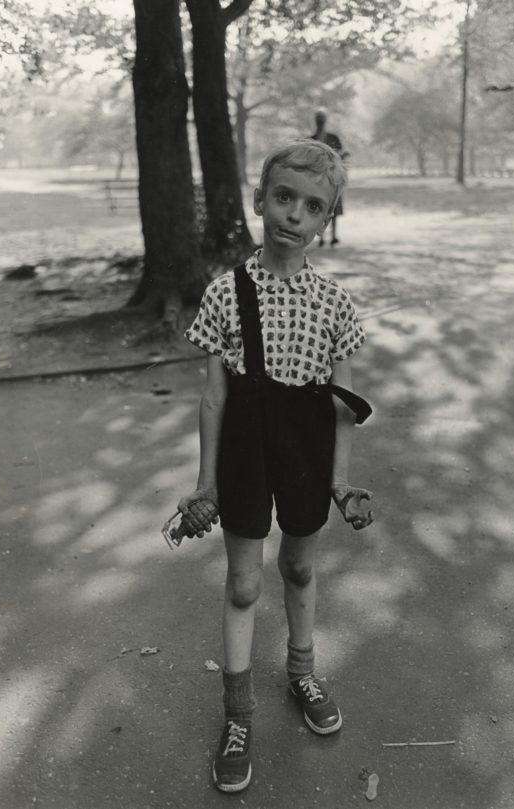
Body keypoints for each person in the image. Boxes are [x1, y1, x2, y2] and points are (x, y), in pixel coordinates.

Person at [176, 139, 374, 793]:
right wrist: (205, 482)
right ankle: (238, 716)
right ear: (260, 199)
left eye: (312, 206)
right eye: (283, 197)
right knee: (242, 584)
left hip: (306, 452)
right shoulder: (226, 293)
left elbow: (344, 405)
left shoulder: (336, 306)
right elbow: (213, 397)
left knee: (297, 565)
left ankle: (302, 669)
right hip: (244, 451)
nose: (294, 214)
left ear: (327, 220)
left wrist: (340, 480)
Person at [311, 109, 349, 246]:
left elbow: (341, 154)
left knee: (334, 208)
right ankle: (321, 237)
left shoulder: (333, 138)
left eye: (321, 118)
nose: (319, 121)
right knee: (320, 208)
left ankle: (333, 236)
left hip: (333, 178)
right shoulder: (311, 139)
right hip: (318, 180)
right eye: (318, 118)